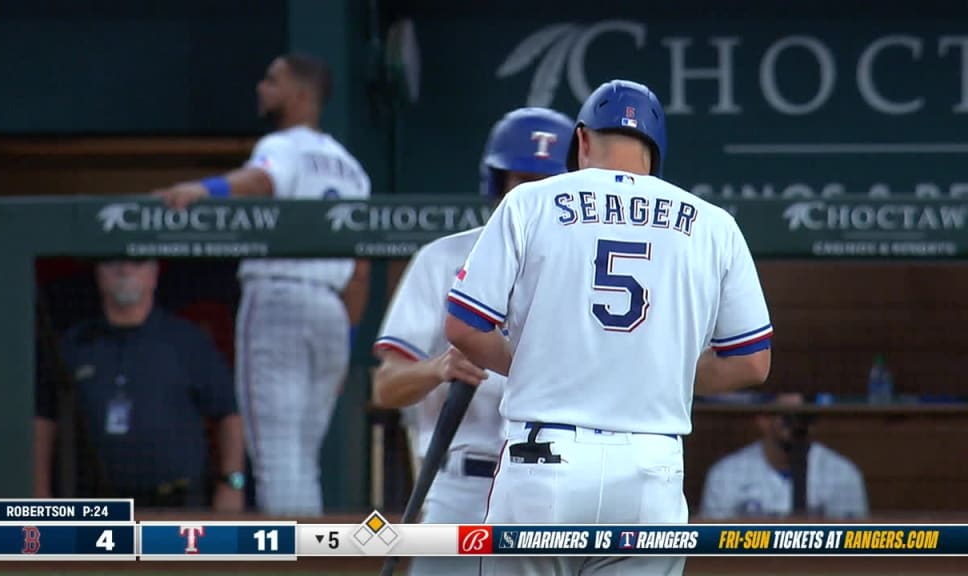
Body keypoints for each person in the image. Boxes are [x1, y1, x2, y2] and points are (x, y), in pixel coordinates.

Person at [443, 80, 773, 576]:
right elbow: (752, 362)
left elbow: (463, 327)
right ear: (655, 152)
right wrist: (651, 371)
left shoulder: (530, 202)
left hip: (543, 459)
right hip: (651, 466)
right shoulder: (714, 224)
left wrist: (541, 364)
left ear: (581, 141)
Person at [153, 53, 371, 515]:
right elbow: (361, 270)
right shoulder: (353, 169)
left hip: (280, 299)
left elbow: (261, 180)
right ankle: (311, 564)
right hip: (331, 313)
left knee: (277, 460)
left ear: (302, 95)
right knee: (302, 463)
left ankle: (289, 564)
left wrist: (204, 190)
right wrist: (345, 343)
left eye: (273, 80)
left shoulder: (285, 145)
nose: (261, 88)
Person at [373, 107, 574, 576]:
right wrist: (436, 369)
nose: (530, 197)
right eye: (519, 180)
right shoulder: (442, 259)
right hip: (461, 487)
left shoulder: (587, 277)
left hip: (553, 492)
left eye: (546, 183)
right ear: (496, 185)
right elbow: (386, 388)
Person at [34, 259, 245, 510]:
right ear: (98, 272)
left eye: (137, 263)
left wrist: (232, 483)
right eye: (114, 262)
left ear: (154, 274)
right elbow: (43, 419)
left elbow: (229, 415)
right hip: (94, 504)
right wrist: (38, 491)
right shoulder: (74, 345)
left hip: (177, 505)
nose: (124, 270)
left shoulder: (187, 341)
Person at [700, 393, 869, 519]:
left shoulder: (843, 474)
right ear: (763, 420)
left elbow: (853, 547)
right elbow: (712, 545)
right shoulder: (726, 474)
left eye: (802, 417)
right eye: (787, 417)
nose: (795, 425)